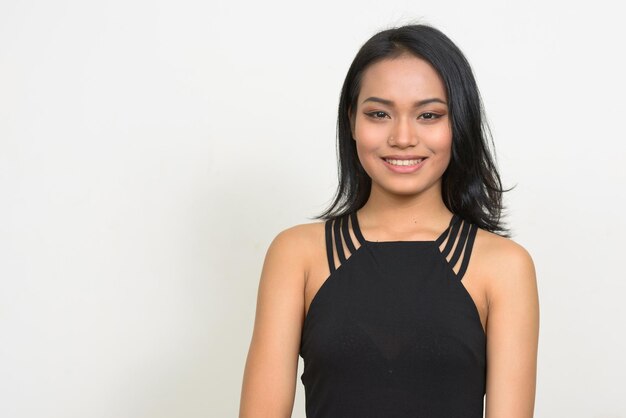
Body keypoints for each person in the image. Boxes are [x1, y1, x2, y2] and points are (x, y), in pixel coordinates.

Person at [239, 23, 539, 418]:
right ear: (351, 122)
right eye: (379, 113)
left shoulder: (504, 266)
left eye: (428, 115)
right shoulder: (296, 254)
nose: (402, 137)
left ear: (458, 124)